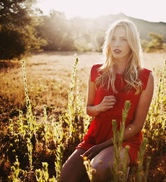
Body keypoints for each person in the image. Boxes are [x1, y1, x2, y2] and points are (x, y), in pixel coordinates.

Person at [59, 19, 154, 182]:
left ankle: (123, 172)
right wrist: (99, 107)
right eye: (113, 38)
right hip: (95, 137)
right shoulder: (97, 71)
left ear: (132, 43)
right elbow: (89, 109)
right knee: (65, 177)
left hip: (125, 140)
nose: (117, 43)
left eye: (123, 39)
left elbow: (137, 125)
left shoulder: (145, 77)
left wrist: (101, 148)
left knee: (99, 168)